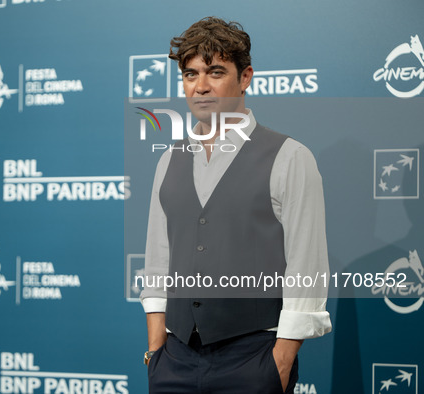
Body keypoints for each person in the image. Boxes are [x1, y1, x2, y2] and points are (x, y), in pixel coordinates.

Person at [140, 17, 332, 394]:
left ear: (245, 77)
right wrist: (156, 352)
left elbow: (306, 268)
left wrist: (279, 363)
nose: (201, 87)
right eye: (190, 74)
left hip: (253, 360)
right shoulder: (168, 160)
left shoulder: (290, 157)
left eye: (215, 72)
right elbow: (157, 263)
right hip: (173, 362)